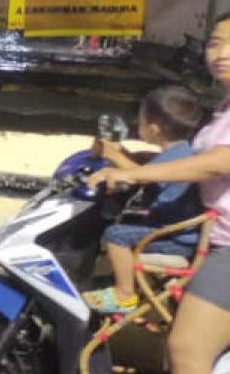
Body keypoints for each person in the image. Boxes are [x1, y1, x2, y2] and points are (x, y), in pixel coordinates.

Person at [89, 13, 230, 374]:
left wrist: (133, 172)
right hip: (214, 237)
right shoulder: (223, 108)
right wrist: (125, 158)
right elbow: (192, 158)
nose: (221, 53)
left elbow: (211, 166)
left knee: (188, 349)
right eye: (215, 43)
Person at [82, 85, 206, 314]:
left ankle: (125, 293)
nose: (137, 127)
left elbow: (143, 177)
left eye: (140, 122)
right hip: (179, 231)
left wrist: (115, 156)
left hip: (175, 237)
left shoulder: (172, 159)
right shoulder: (183, 153)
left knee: (115, 234)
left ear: (154, 129)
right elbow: (145, 170)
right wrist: (121, 155)